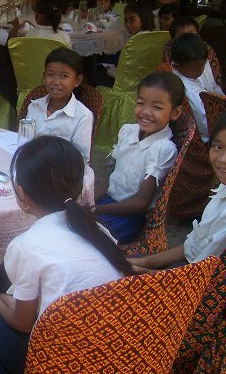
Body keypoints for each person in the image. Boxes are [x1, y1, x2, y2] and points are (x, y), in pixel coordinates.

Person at [0, 136, 131, 374]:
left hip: (61, 358)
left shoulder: (27, 245)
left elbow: (23, 323)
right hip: (110, 347)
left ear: (21, 194)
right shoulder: (98, 230)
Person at [95, 72, 183, 244]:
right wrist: (91, 202)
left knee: (86, 236)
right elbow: (112, 178)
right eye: (141, 103)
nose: (146, 112)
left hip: (128, 216)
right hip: (107, 203)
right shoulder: (128, 131)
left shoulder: (162, 149)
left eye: (157, 107)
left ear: (175, 112)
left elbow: (141, 202)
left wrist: (96, 209)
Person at [130, 114, 226, 269]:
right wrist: (145, 262)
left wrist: (144, 272)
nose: (222, 159)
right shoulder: (222, 190)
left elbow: (204, 274)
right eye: (217, 147)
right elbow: (193, 248)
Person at [26, 48, 94, 163]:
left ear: (77, 80)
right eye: (50, 74)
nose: (55, 82)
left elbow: (81, 158)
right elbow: (25, 142)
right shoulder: (34, 106)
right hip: (31, 165)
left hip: (61, 170)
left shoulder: (83, 116)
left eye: (64, 76)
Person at [171, 33, 224, 142]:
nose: (201, 72)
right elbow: (203, 122)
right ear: (176, 66)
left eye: (203, 66)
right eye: (196, 70)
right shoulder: (188, 91)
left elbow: (213, 87)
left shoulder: (192, 70)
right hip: (208, 135)